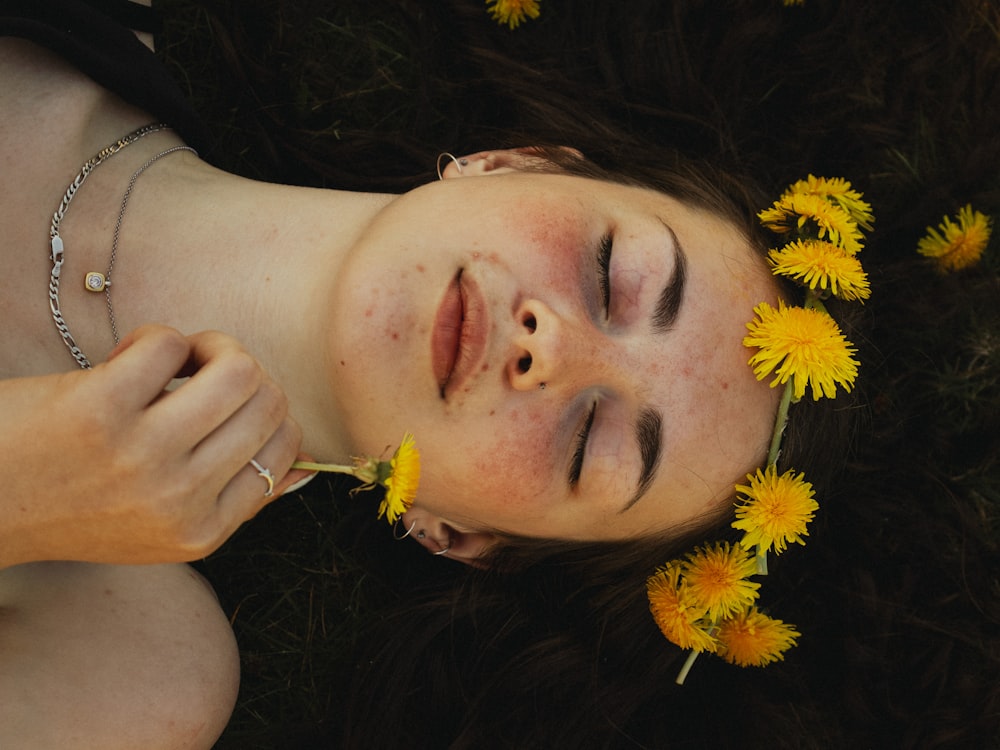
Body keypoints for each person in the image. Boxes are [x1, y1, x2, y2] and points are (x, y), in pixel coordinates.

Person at [2, 2, 998, 750]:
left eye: (591, 445)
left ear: (460, 537)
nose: (548, 348)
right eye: (615, 275)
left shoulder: (128, 669)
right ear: (517, 162)